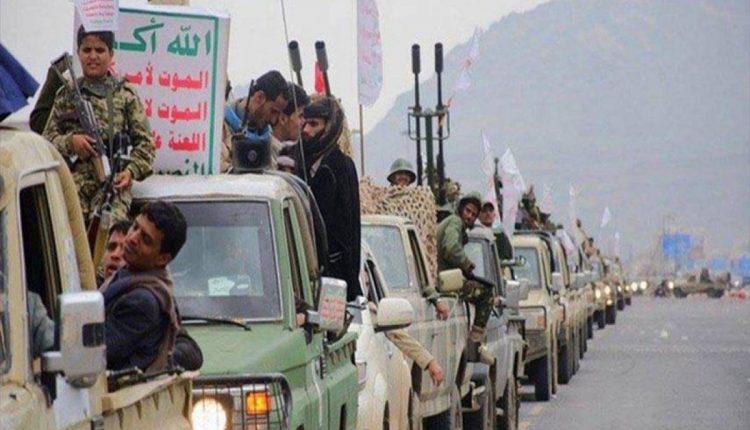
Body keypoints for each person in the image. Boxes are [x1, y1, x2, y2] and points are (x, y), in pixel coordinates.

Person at [43, 26, 155, 226]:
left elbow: (146, 145)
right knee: (67, 235)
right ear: (78, 53)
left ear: (111, 54)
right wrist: (71, 142)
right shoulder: (66, 94)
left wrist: (130, 172)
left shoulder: (125, 94)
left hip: (113, 185)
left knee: (107, 232)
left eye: (100, 50)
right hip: (72, 185)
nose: (93, 56)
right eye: (87, 50)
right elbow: (45, 143)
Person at [98, 214, 202, 371]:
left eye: (145, 240)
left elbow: (91, 351)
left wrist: (158, 362)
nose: (116, 255)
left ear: (161, 260)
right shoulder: (100, 285)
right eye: (111, 247)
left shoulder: (146, 299)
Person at [301, 96, 361, 301]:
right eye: (305, 123)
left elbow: (349, 232)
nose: (306, 130)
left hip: (335, 280)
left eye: (313, 124)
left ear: (329, 128)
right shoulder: (301, 164)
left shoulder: (341, 167)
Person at [436, 192, 495, 344]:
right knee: (487, 293)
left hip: (444, 278)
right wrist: (466, 263)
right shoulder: (455, 222)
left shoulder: (454, 224)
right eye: (468, 211)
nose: (469, 216)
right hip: (442, 281)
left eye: (473, 214)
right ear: (461, 208)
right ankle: (475, 342)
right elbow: (450, 248)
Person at [221, 70, 289, 172]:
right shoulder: (218, 129)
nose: (274, 120)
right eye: (273, 111)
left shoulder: (271, 145)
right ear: (259, 97)